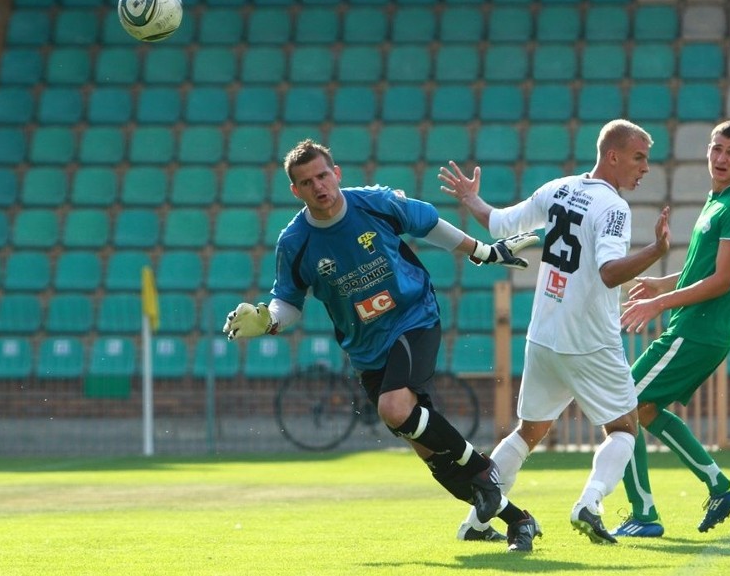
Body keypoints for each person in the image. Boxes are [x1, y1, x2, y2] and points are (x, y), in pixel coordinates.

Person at [223, 139, 542, 552]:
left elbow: (427, 222)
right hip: (366, 348)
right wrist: (268, 320)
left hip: (414, 317)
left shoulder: (374, 203)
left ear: (336, 174)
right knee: (428, 450)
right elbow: (289, 301)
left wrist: (483, 252)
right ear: (296, 191)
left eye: (322, 175)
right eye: (307, 182)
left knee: (394, 409)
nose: (318, 186)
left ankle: (484, 470)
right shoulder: (294, 242)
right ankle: (519, 520)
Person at [440, 119, 671, 544]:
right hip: (589, 341)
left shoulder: (558, 188)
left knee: (528, 432)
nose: (645, 168)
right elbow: (608, 274)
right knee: (624, 429)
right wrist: (656, 250)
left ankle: (475, 525)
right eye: (639, 158)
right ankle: (591, 502)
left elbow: (498, 224)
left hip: (544, 335)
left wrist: (472, 199)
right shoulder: (614, 207)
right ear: (613, 155)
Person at [613, 120, 730, 538]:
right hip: (696, 329)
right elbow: (703, 270)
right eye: (717, 148)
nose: (721, 158)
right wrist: (662, 282)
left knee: (619, 407)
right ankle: (719, 486)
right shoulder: (719, 200)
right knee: (643, 410)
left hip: (696, 331)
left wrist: (658, 302)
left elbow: (722, 281)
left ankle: (643, 514)